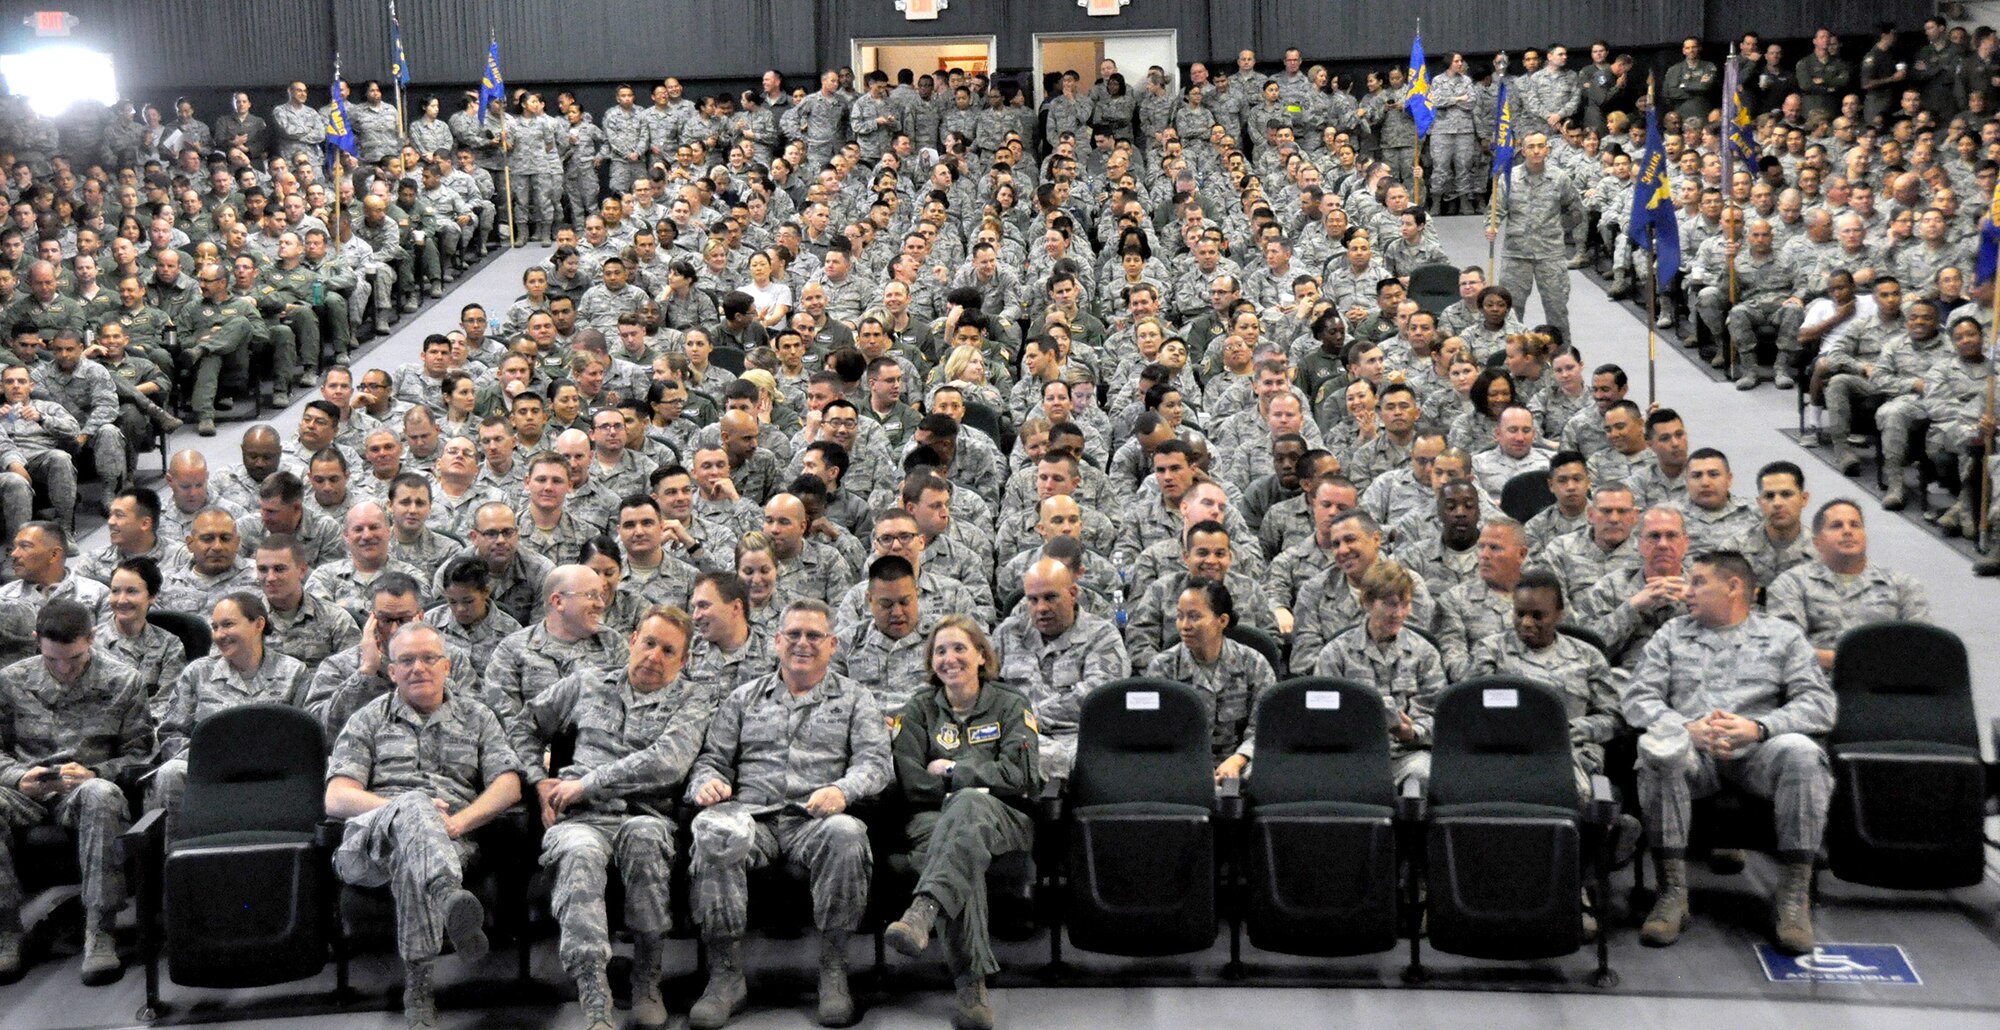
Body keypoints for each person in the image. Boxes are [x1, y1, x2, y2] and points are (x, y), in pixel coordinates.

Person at [508, 604, 719, 1030]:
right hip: (580, 819)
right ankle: (594, 994)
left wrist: (587, 783)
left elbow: (669, 762)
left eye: (668, 651)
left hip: (647, 815)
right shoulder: (587, 683)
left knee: (644, 841)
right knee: (580, 853)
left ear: (684, 660)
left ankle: (647, 976)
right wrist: (537, 780)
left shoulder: (693, 698)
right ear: (632, 641)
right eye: (648, 643)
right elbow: (520, 725)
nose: (654, 656)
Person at [683, 600, 892, 1030]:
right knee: (712, 829)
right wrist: (707, 782)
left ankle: (833, 971)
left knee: (847, 834)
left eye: (814, 636)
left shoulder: (856, 699)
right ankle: (726, 975)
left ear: (832, 644)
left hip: (814, 819)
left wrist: (842, 789)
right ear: (777, 641)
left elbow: (875, 764)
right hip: (752, 818)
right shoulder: (743, 699)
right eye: (793, 634)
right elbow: (712, 759)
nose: (802, 643)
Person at [1622, 550, 1832, 955]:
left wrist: (1760, 728)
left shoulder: (1783, 637)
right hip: (1694, 753)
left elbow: (1819, 704)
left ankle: (1792, 897)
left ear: (1734, 586)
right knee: (1657, 749)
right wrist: (1687, 728)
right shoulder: (1671, 635)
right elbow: (1636, 699)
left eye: (1699, 581)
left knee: (1804, 754)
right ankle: (1672, 894)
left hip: (1758, 751)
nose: (1688, 590)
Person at [324, 621, 524, 1030]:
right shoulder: (368, 720)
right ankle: (448, 895)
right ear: (392, 671)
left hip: (452, 841)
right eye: (407, 660)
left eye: (429, 658)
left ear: (447, 666)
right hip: (369, 844)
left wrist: (460, 821)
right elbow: (337, 796)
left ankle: (419, 989)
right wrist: (405, 809)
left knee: (414, 858)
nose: (419, 668)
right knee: (414, 807)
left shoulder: (477, 716)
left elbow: (509, 784)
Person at [882, 615, 1038, 1030]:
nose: (949, 658)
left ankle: (923, 909)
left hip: (1004, 821)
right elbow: (910, 778)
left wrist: (954, 773)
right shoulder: (918, 709)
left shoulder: (1011, 704)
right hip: (931, 820)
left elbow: (1021, 776)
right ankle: (971, 984)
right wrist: (967, 785)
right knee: (955, 836)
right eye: (940, 651)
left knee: (967, 808)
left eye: (959, 648)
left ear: (982, 656)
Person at [0, 600, 151, 984]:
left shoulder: (122, 680)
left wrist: (95, 772)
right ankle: (7, 930)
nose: (65, 668)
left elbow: (142, 754)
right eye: (53, 660)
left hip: (85, 788)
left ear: (92, 638)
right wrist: (18, 776)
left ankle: (100, 930)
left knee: (100, 794)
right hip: (28, 788)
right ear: (36, 642)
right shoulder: (11, 681)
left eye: (75, 658)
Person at [151, 591, 310, 836]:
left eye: (228, 625)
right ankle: (174, 860)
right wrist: (206, 760)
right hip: (209, 772)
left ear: (258, 624)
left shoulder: (294, 673)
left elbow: (305, 735)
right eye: (215, 627)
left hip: (272, 772)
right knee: (170, 773)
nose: (219, 635)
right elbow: (172, 732)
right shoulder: (198, 673)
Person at [1307, 559, 1445, 788]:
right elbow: (1320, 718)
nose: (1399, 613)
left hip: (1406, 756)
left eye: (1406, 604)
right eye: (1390, 604)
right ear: (1368, 602)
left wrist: (1410, 732)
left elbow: (1437, 714)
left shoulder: (1424, 653)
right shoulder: (1336, 653)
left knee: (1423, 774)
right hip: (1350, 754)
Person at [992, 558, 1129, 779]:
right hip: (1015, 737)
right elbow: (986, 688)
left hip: (1079, 740)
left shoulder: (1102, 636)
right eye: (1033, 600)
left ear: (1073, 594)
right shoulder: (1008, 633)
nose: (1041, 608)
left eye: (1050, 597)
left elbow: (1099, 699)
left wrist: (1029, 717)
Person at [1765, 500, 1930, 669]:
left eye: (1855, 525)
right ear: (1817, 542)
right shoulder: (1791, 583)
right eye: (1836, 526)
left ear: (1864, 535)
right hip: (1816, 686)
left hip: (1885, 688)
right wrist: (1861, 662)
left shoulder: (1902, 585)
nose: (1847, 531)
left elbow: (1921, 648)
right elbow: (1785, 649)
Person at [1143, 578, 1275, 781]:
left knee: (1265, 773)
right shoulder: (1163, 667)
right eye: (1180, 616)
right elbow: (1156, 733)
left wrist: (1238, 759)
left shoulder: (1253, 664)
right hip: (1181, 766)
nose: (1184, 626)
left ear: (1222, 620)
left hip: (1240, 764)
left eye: (1194, 617)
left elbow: (1264, 728)